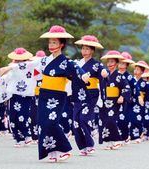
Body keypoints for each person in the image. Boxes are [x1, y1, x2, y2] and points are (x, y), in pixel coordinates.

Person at [37, 25, 89, 162]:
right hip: (43, 94)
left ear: (61, 44)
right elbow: (31, 66)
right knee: (43, 123)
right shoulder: (44, 60)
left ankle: (64, 149)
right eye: (50, 42)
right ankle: (53, 152)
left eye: (54, 42)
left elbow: (77, 69)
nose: (51, 44)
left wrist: (83, 76)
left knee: (51, 122)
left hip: (57, 95)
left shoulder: (67, 62)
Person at [73, 35, 108, 155]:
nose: (84, 51)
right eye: (83, 49)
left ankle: (90, 144)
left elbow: (104, 72)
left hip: (91, 93)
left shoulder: (97, 65)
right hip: (78, 93)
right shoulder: (77, 63)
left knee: (84, 118)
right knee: (76, 120)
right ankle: (82, 146)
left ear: (92, 50)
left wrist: (104, 73)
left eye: (87, 49)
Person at [99, 51, 131, 150]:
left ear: (116, 63)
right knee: (106, 121)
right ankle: (109, 142)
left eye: (112, 62)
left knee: (111, 120)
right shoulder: (105, 74)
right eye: (108, 62)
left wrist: (122, 96)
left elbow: (126, 88)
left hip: (115, 102)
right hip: (106, 101)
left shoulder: (119, 76)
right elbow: (101, 87)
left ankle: (117, 140)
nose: (109, 64)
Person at [117, 52, 135, 144]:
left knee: (123, 119)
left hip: (126, 100)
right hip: (115, 99)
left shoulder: (130, 77)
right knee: (115, 118)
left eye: (123, 63)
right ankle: (117, 137)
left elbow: (133, 89)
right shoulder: (114, 74)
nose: (121, 65)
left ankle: (125, 136)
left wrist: (128, 97)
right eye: (119, 62)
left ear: (127, 65)